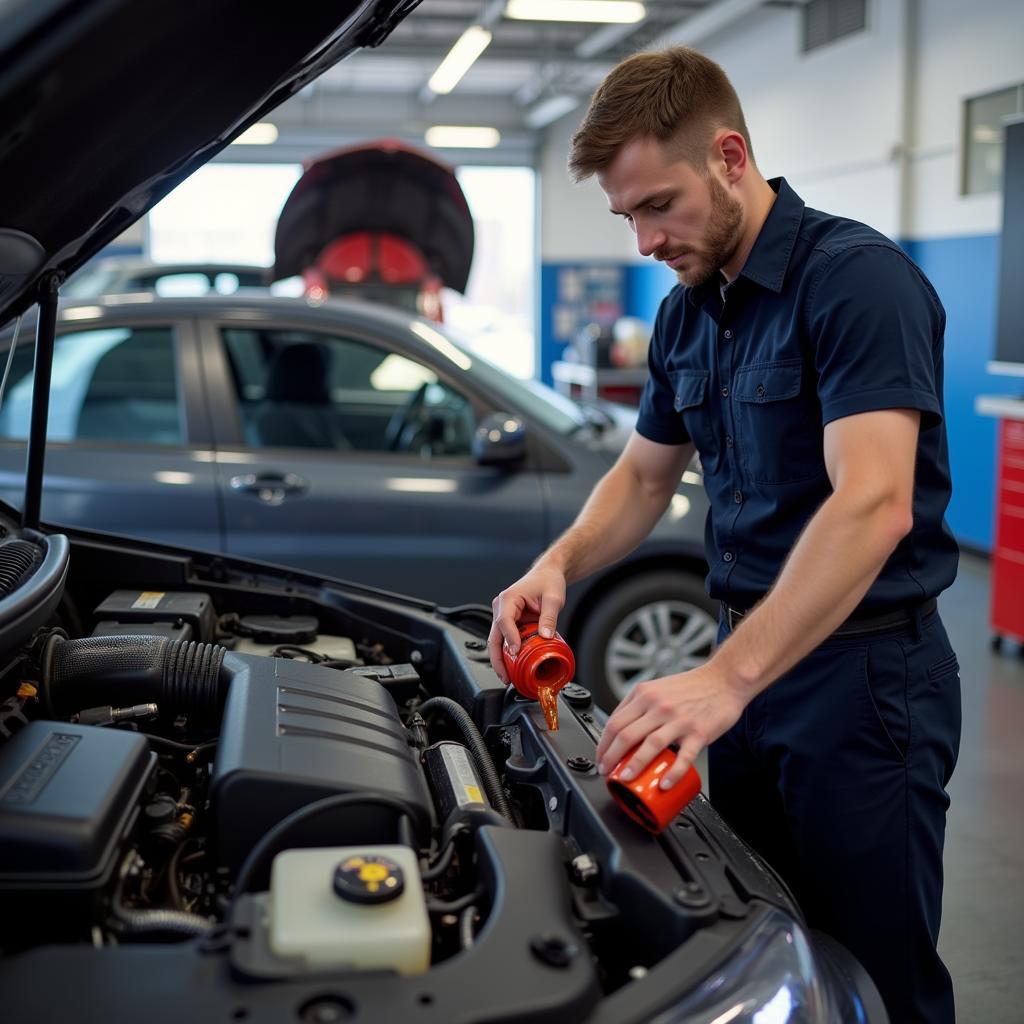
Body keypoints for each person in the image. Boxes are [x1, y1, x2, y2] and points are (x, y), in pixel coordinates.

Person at [488, 47, 961, 1023]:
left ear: (731, 157)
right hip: (752, 669)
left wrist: (726, 676)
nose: (645, 237)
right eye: (627, 218)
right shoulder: (683, 317)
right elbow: (641, 475)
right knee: (762, 939)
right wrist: (557, 563)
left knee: (879, 973)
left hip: (864, 683)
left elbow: (873, 503)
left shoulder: (856, 283)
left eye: (658, 205)